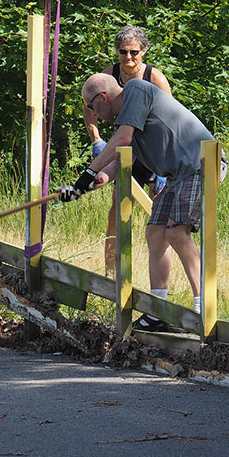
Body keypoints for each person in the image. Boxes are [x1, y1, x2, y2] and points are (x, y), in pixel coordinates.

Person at [61, 73, 226, 332]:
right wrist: (84, 186)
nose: (93, 113)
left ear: (102, 98)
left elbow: (123, 140)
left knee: (176, 232)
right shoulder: (127, 121)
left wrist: (89, 173)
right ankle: (158, 311)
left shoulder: (136, 90)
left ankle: (203, 306)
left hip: (200, 164)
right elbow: (118, 161)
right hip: (177, 175)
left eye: (91, 107)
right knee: (155, 231)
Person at [84, 26, 172, 274]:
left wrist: (162, 167)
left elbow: (169, 121)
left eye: (134, 52)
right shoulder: (108, 77)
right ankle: (112, 273)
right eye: (123, 52)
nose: (128, 58)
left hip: (155, 153)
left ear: (143, 51)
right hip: (127, 151)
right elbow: (89, 108)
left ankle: (166, 279)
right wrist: (96, 140)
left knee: (161, 216)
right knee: (118, 209)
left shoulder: (155, 78)